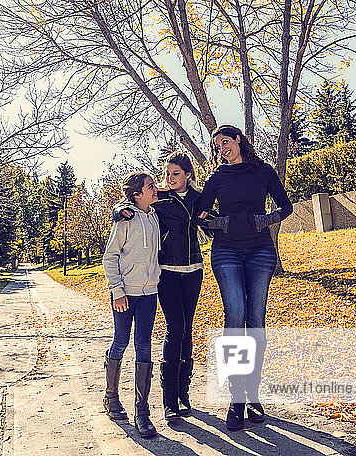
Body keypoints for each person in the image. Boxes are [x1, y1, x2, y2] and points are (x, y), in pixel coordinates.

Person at [196, 125, 293, 431]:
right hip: (226, 252)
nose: (221, 148)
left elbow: (285, 207)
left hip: (260, 252)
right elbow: (201, 214)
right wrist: (226, 224)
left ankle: (253, 393)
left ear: (238, 139)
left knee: (256, 319)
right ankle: (236, 399)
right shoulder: (217, 178)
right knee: (235, 316)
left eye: (225, 142)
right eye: (217, 146)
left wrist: (261, 221)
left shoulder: (263, 171)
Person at [113, 152, 207, 422]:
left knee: (187, 329)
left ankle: (182, 392)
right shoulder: (160, 197)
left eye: (175, 173)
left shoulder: (198, 197)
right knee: (175, 328)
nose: (169, 179)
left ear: (188, 174)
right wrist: (118, 210)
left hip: (193, 270)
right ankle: (169, 400)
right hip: (167, 272)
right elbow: (128, 202)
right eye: (166, 174)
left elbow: (211, 214)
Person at [102, 172, 161, 438]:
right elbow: (109, 257)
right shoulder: (125, 219)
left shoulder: (155, 216)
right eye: (150, 187)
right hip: (125, 294)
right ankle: (111, 397)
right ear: (137, 194)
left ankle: (142, 410)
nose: (155, 188)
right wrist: (117, 291)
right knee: (121, 342)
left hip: (150, 294)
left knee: (144, 345)